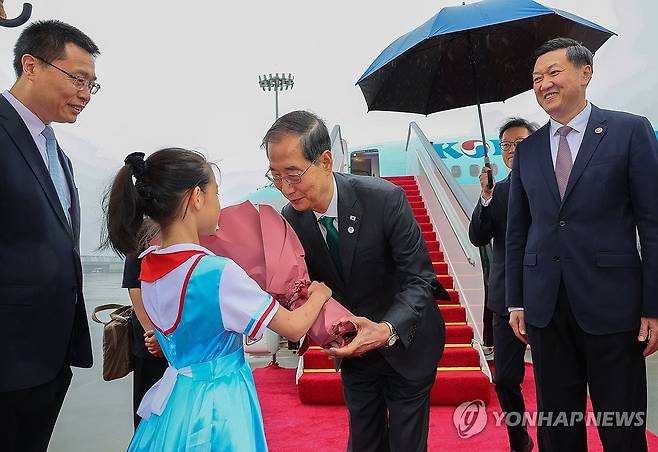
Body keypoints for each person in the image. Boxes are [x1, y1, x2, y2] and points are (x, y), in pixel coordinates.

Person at [102, 148, 333, 451]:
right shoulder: (215, 272)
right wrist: (320, 294)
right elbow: (292, 327)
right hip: (220, 401)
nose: (219, 204)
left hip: (175, 398)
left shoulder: (149, 266)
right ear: (197, 197)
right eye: (216, 193)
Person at [262, 110, 447, 452]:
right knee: (364, 442)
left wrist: (386, 329)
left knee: (407, 445)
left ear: (326, 160)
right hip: (354, 353)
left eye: (293, 174)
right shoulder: (291, 219)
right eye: (275, 176)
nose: (285, 188)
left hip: (407, 341)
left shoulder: (383, 198)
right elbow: (306, 288)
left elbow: (420, 279)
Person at [506, 38, 658, 451]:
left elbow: (652, 222)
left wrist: (653, 306)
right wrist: (515, 301)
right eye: (537, 79)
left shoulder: (629, 131)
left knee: (622, 424)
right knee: (557, 425)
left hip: (613, 305)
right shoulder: (528, 151)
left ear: (585, 73)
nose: (544, 84)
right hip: (545, 308)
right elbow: (518, 231)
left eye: (554, 73)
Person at [0, 20, 100, 452]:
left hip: (49, 358)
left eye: (92, 85)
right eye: (77, 78)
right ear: (31, 65)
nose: (84, 93)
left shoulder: (57, 152)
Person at [469, 118, 538, 452]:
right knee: (506, 379)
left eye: (520, 143)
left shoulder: (552, 185)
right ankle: (519, 440)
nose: (512, 150)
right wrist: (485, 196)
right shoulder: (498, 191)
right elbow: (478, 236)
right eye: (506, 145)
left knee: (557, 379)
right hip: (506, 299)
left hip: (548, 295)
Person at [120, 220, 168, 429]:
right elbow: (135, 287)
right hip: (151, 339)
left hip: (175, 339)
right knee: (147, 408)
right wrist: (151, 332)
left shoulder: (179, 229)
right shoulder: (142, 234)